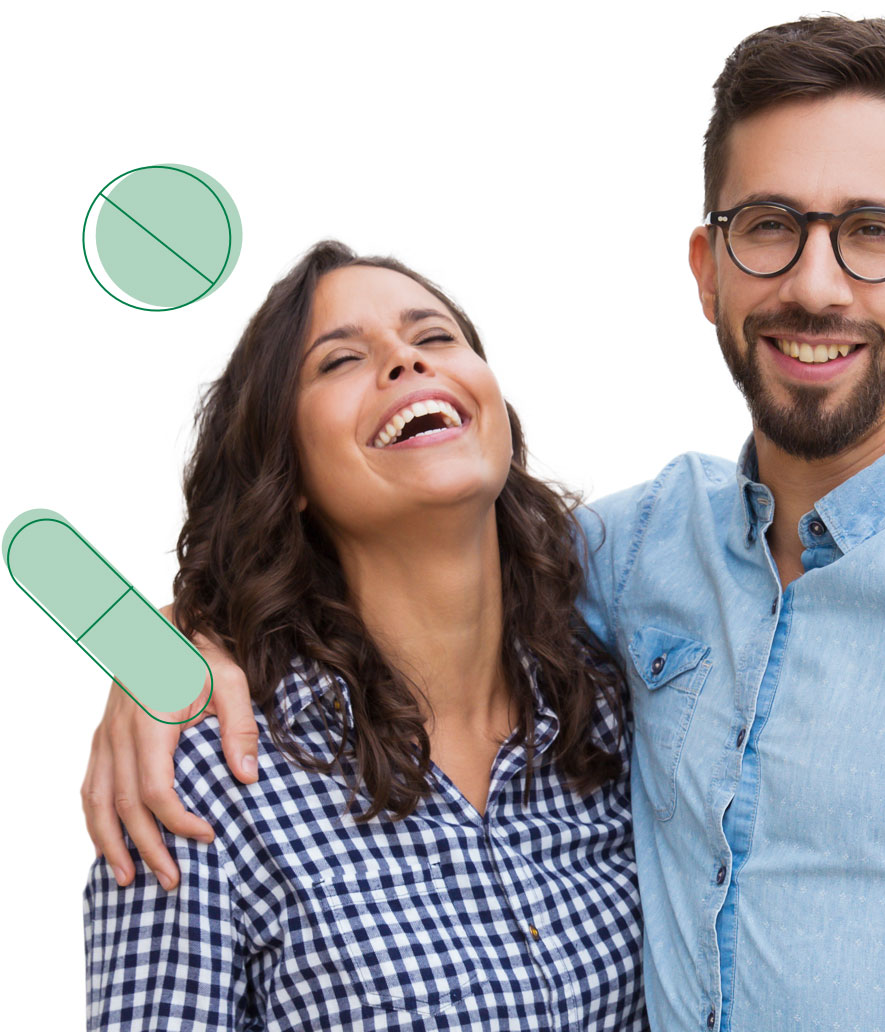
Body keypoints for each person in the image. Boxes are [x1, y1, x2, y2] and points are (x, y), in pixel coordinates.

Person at [82, 15, 885, 1032]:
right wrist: (168, 646)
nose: (817, 285)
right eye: (770, 224)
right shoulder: (636, 560)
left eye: (876, 232)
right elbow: (410, 569)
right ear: (708, 264)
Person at [82, 241, 647, 1030]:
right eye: (340, 359)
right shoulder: (209, 776)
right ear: (289, 473)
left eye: (435, 337)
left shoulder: (622, 708)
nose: (406, 362)